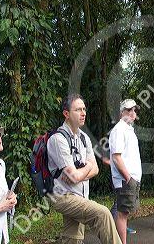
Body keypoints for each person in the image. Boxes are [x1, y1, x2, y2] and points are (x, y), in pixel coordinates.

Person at [47, 93, 121, 244]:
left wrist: (81, 172)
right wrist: (87, 166)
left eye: (84, 109)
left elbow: (96, 170)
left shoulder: (83, 138)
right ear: (66, 114)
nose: (83, 113)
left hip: (79, 194)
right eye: (78, 110)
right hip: (63, 196)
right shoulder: (58, 139)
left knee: (72, 238)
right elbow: (76, 175)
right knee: (103, 214)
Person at [109, 99, 142, 244]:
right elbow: (116, 157)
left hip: (131, 178)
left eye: (134, 110)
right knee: (122, 213)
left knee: (124, 212)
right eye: (129, 110)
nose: (132, 113)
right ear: (121, 112)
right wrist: (128, 178)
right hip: (125, 179)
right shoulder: (119, 129)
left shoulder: (129, 129)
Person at [101, 156, 137, 234]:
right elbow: (105, 160)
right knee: (118, 204)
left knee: (122, 205)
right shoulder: (110, 144)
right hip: (119, 177)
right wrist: (118, 166)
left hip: (125, 176)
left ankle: (121, 227)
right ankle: (109, 226)